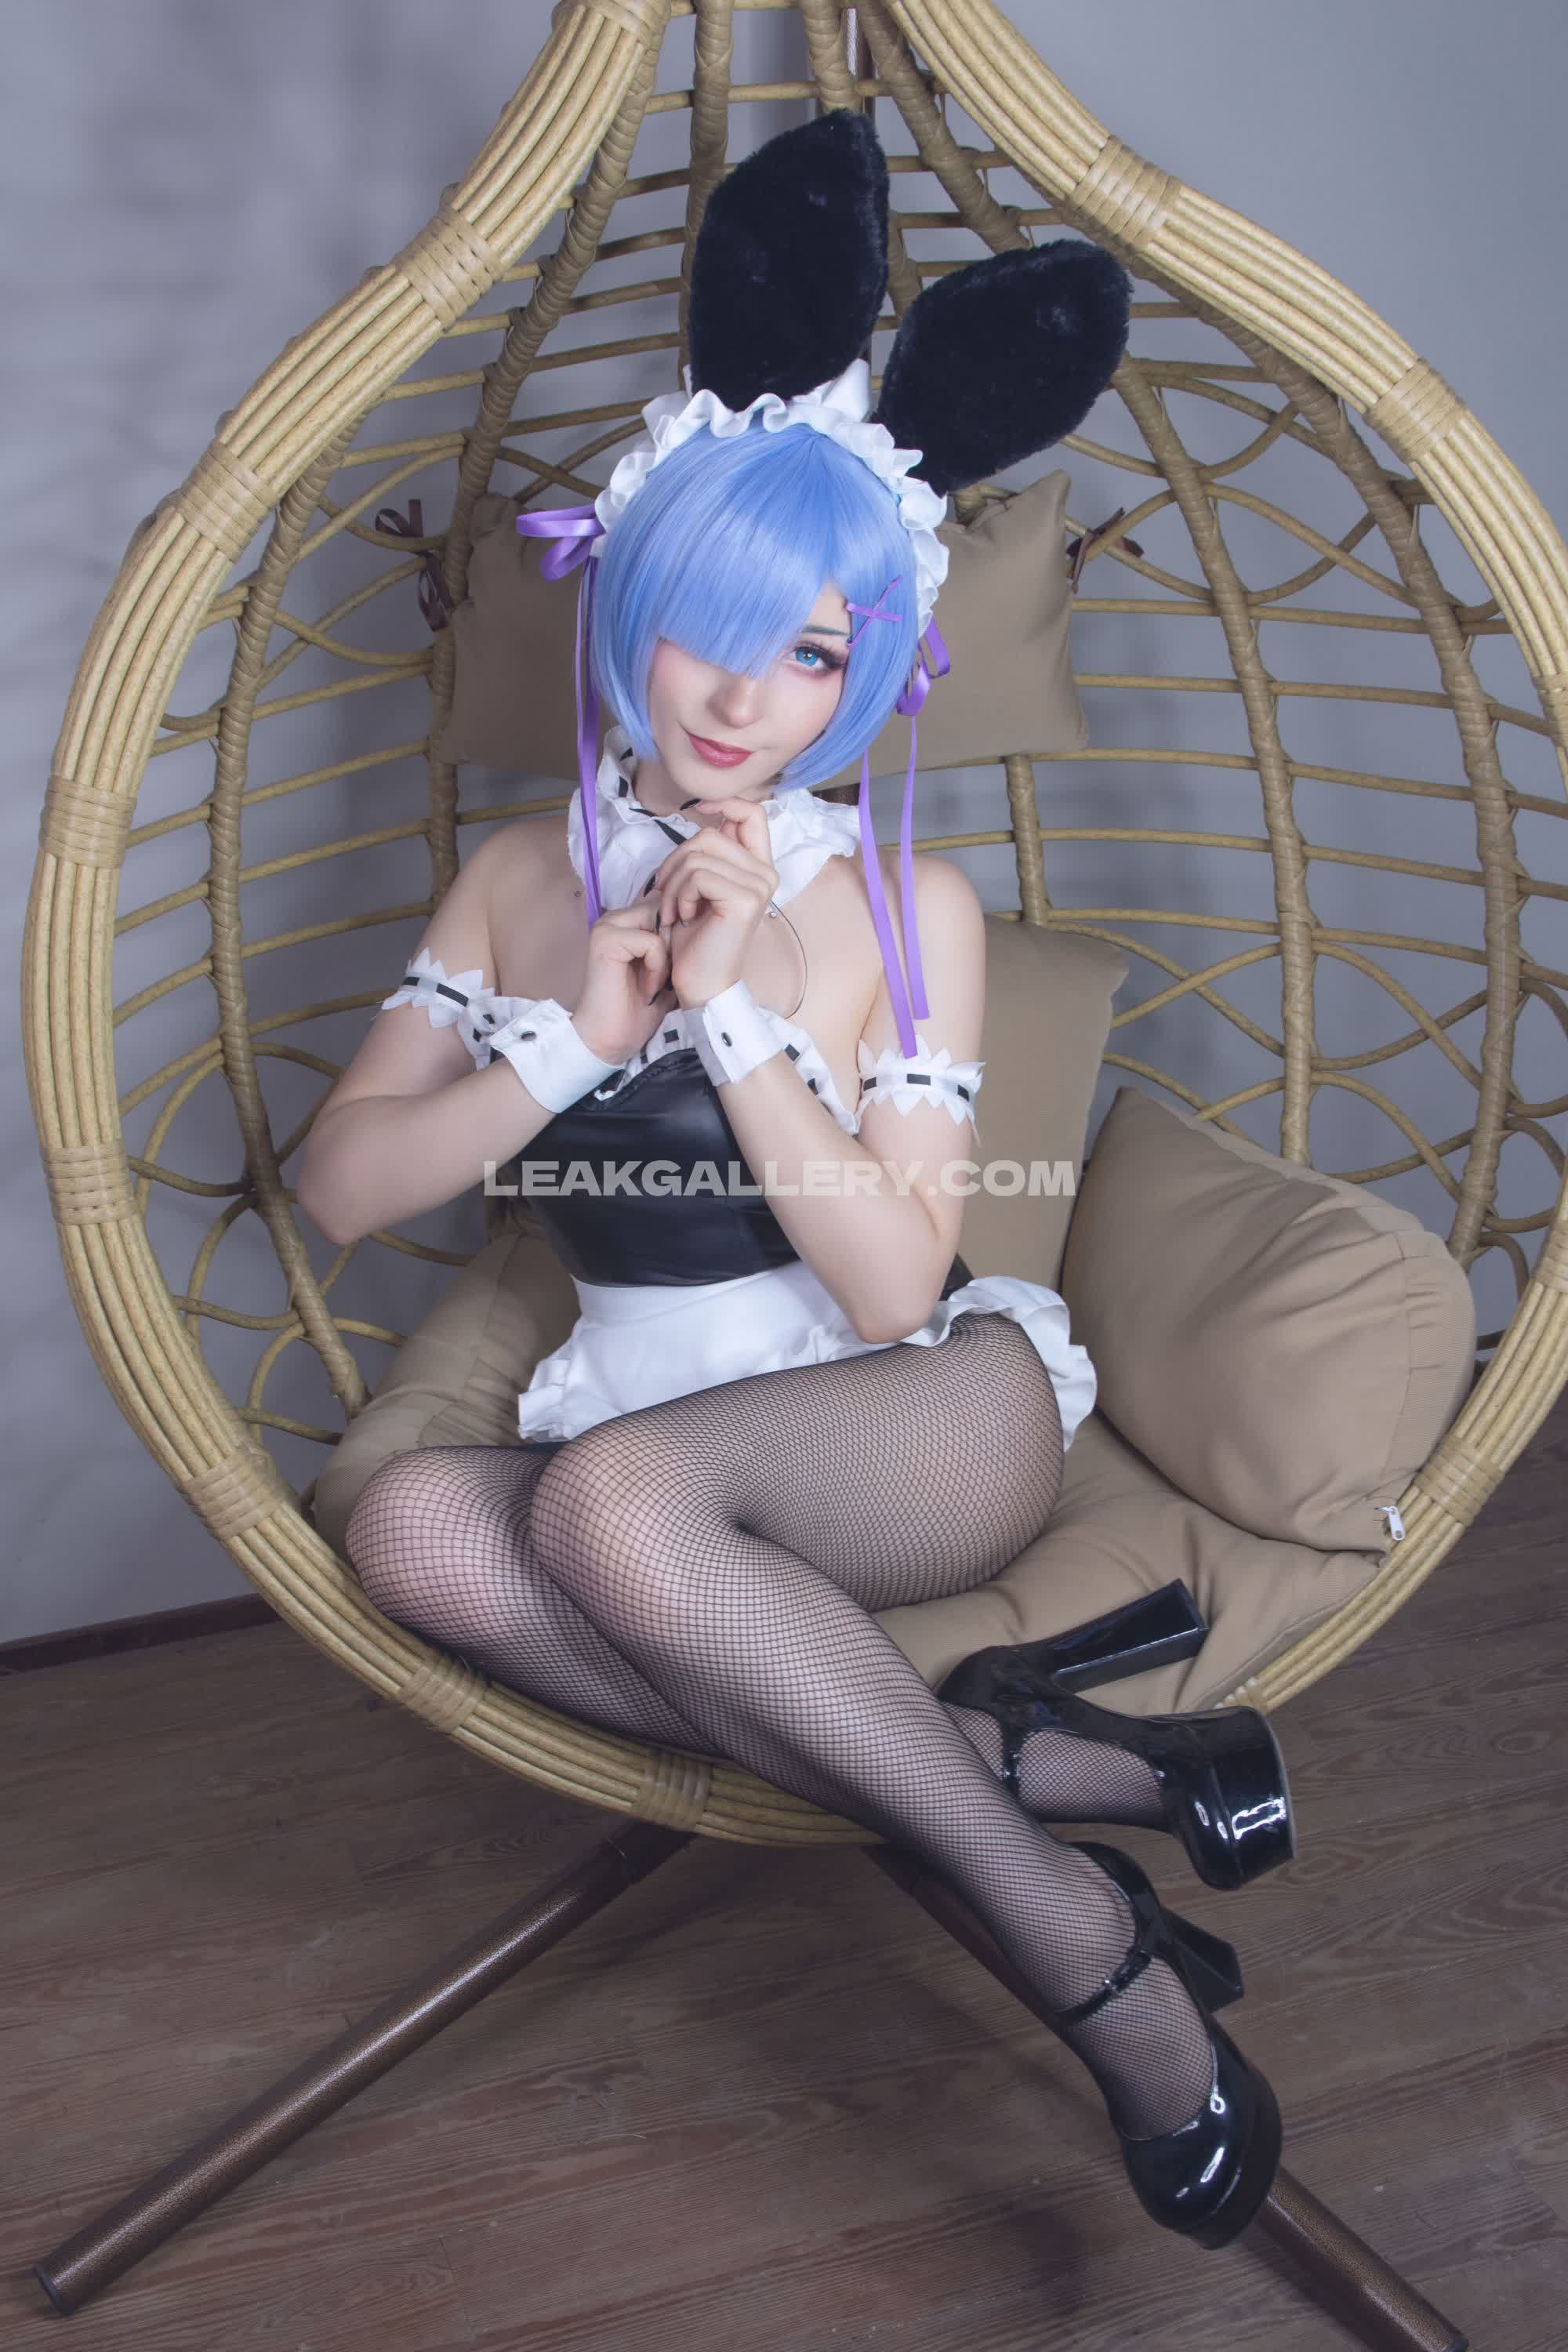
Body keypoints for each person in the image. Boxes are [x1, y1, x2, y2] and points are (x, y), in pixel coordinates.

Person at [298, 111, 1289, 2248]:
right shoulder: (516, 882)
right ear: (631, 603)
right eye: (712, 631)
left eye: (817, 655)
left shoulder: (904, 903)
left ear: (870, 669)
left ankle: (1094, 1967)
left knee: (608, 1509)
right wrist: (573, 1036)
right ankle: (1052, 1777)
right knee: (413, 1530)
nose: (749, 702)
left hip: (921, 1413)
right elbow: (344, 1188)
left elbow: (891, 1283)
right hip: (641, 1429)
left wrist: (740, 1013)